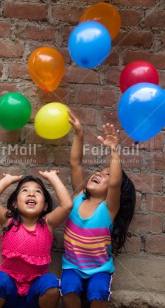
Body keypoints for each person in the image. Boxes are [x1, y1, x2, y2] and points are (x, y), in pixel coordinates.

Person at [61, 111, 136, 308]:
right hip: (72, 267)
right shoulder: (78, 196)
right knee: (68, 290)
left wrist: (114, 150)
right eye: (99, 172)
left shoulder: (108, 209)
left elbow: (115, 184)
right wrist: (79, 134)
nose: (98, 175)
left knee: (98, 293)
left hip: (99, 270)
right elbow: (75, 164)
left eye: (106, 176)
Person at [0, 170, 72, 308]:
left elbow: (67, 205)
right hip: (9, 290)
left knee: (51, 283)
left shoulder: (48, 224)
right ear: (15, 204)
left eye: (38, 192)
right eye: (25, 190)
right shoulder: (8, 221)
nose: (31, 194)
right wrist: (7, 180)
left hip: (35, 293)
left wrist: (53, 178)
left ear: (45, 205)